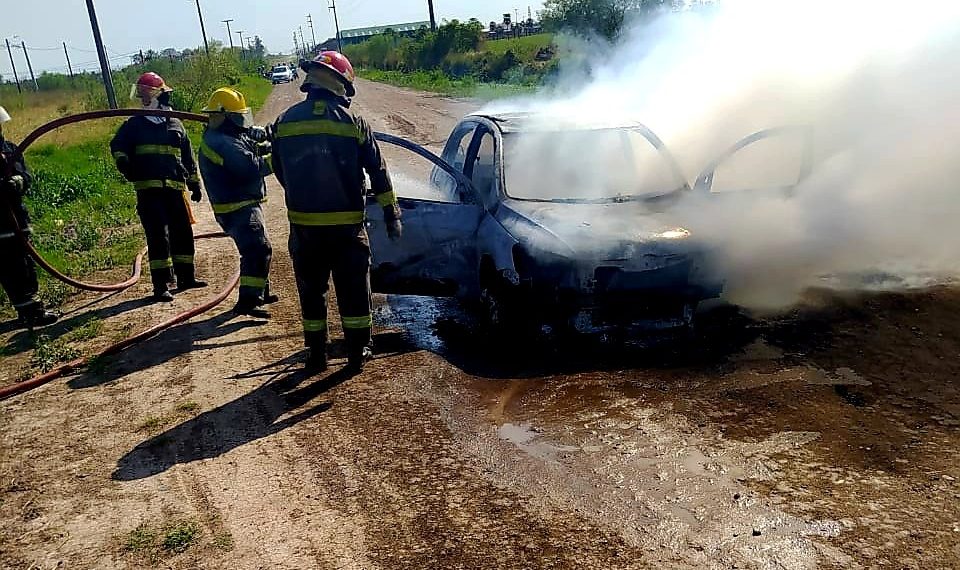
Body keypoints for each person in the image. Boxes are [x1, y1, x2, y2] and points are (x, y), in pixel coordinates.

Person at [270, 51, 402, 373]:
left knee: (311, 294)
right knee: (354, 292)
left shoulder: (285, 122)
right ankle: (357, 354)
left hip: (304, 230)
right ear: (341, 85)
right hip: (347, 231)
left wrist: (302, 194)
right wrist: (391, 214)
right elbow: (378, 171)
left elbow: (278, 168)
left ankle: (316, 355)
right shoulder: (354, 123)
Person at [110, 72, 207, 302]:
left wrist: (194, 183)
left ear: (156, 95)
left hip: (174, 190)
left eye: (144, 94)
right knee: (158, 237)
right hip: (149, 191)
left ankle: (186, 277)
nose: (141, 99)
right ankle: (161, 284)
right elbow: (117, 146)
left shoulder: (175, 123)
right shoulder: (133, 124)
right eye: (140, 94)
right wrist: (124, 162)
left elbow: (187, 156)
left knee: (182, 233)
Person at [198, 87, 278, 318]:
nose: (241, 121)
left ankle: (260, 292)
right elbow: (252, 167)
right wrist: (281, 154)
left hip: (240, 205)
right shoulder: (221, 143)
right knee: (257, 249)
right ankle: (248, 302)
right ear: (225, 117)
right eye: (237, 117)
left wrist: (265, 142)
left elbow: (248, 148)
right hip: (236, 208)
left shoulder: (225, 136)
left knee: (257, 247)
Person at [0, 106, 59, 329]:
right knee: (11, 269)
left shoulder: (11, 149)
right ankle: (30, 312)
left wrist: (19, 181)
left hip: (17, 218)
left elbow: (25, 174)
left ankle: (33, 310)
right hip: (1, 224)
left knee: (25, 265)